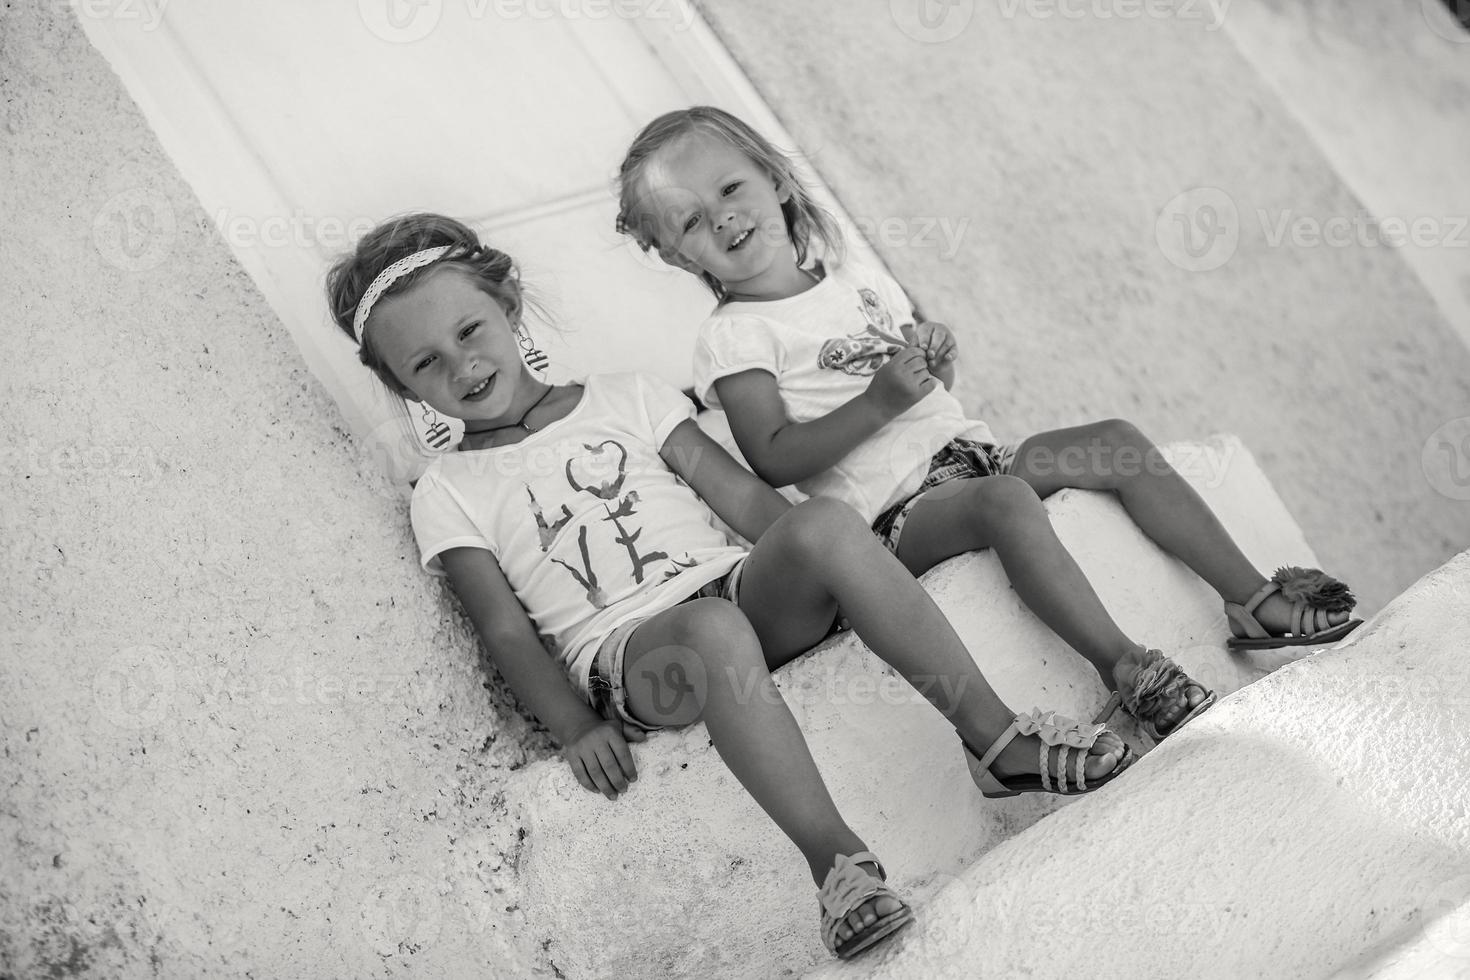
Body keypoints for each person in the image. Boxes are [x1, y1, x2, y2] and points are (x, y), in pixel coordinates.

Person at [325, 213, 1134, 961]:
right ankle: (837, 863)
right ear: (402, 386)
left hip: (735, 592)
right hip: (635, 659)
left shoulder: (626, 397)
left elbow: (745, 503)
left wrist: (835, 566)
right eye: (424, 362)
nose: (461, 364)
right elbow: (505, 630)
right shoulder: (449, 490)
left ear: (509, 305)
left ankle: (997, 742)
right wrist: (573, 728)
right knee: (713, 630)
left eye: (469, 329)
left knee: (817, 524)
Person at [613, 106, 1361, 741]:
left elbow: (922, 393)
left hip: (974, 453)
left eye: (731, 187)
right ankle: (1126, 665)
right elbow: (773, 457)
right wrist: (879, 401)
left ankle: (1255, 600)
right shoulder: (734, 337)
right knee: (1006, 503)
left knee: (1116, 442)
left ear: (774, 177)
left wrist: (933, 363)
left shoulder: (855, 281)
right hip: (897, 513)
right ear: (675, 255)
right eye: (692, 221)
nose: (724, 217)